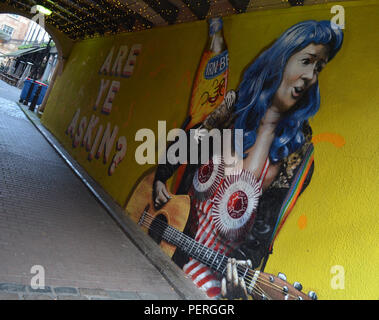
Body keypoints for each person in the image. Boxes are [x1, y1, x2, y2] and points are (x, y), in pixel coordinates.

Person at [153, 20, 344, 299]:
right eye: (306, 61)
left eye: (318, 68)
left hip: (209, 281)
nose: (310, 76)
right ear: (281, 58)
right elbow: (189, 143)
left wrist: (236, 285)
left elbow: (259, 239)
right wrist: (160, 177)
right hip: (165, 246)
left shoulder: (296, 153)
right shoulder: (234, 107)